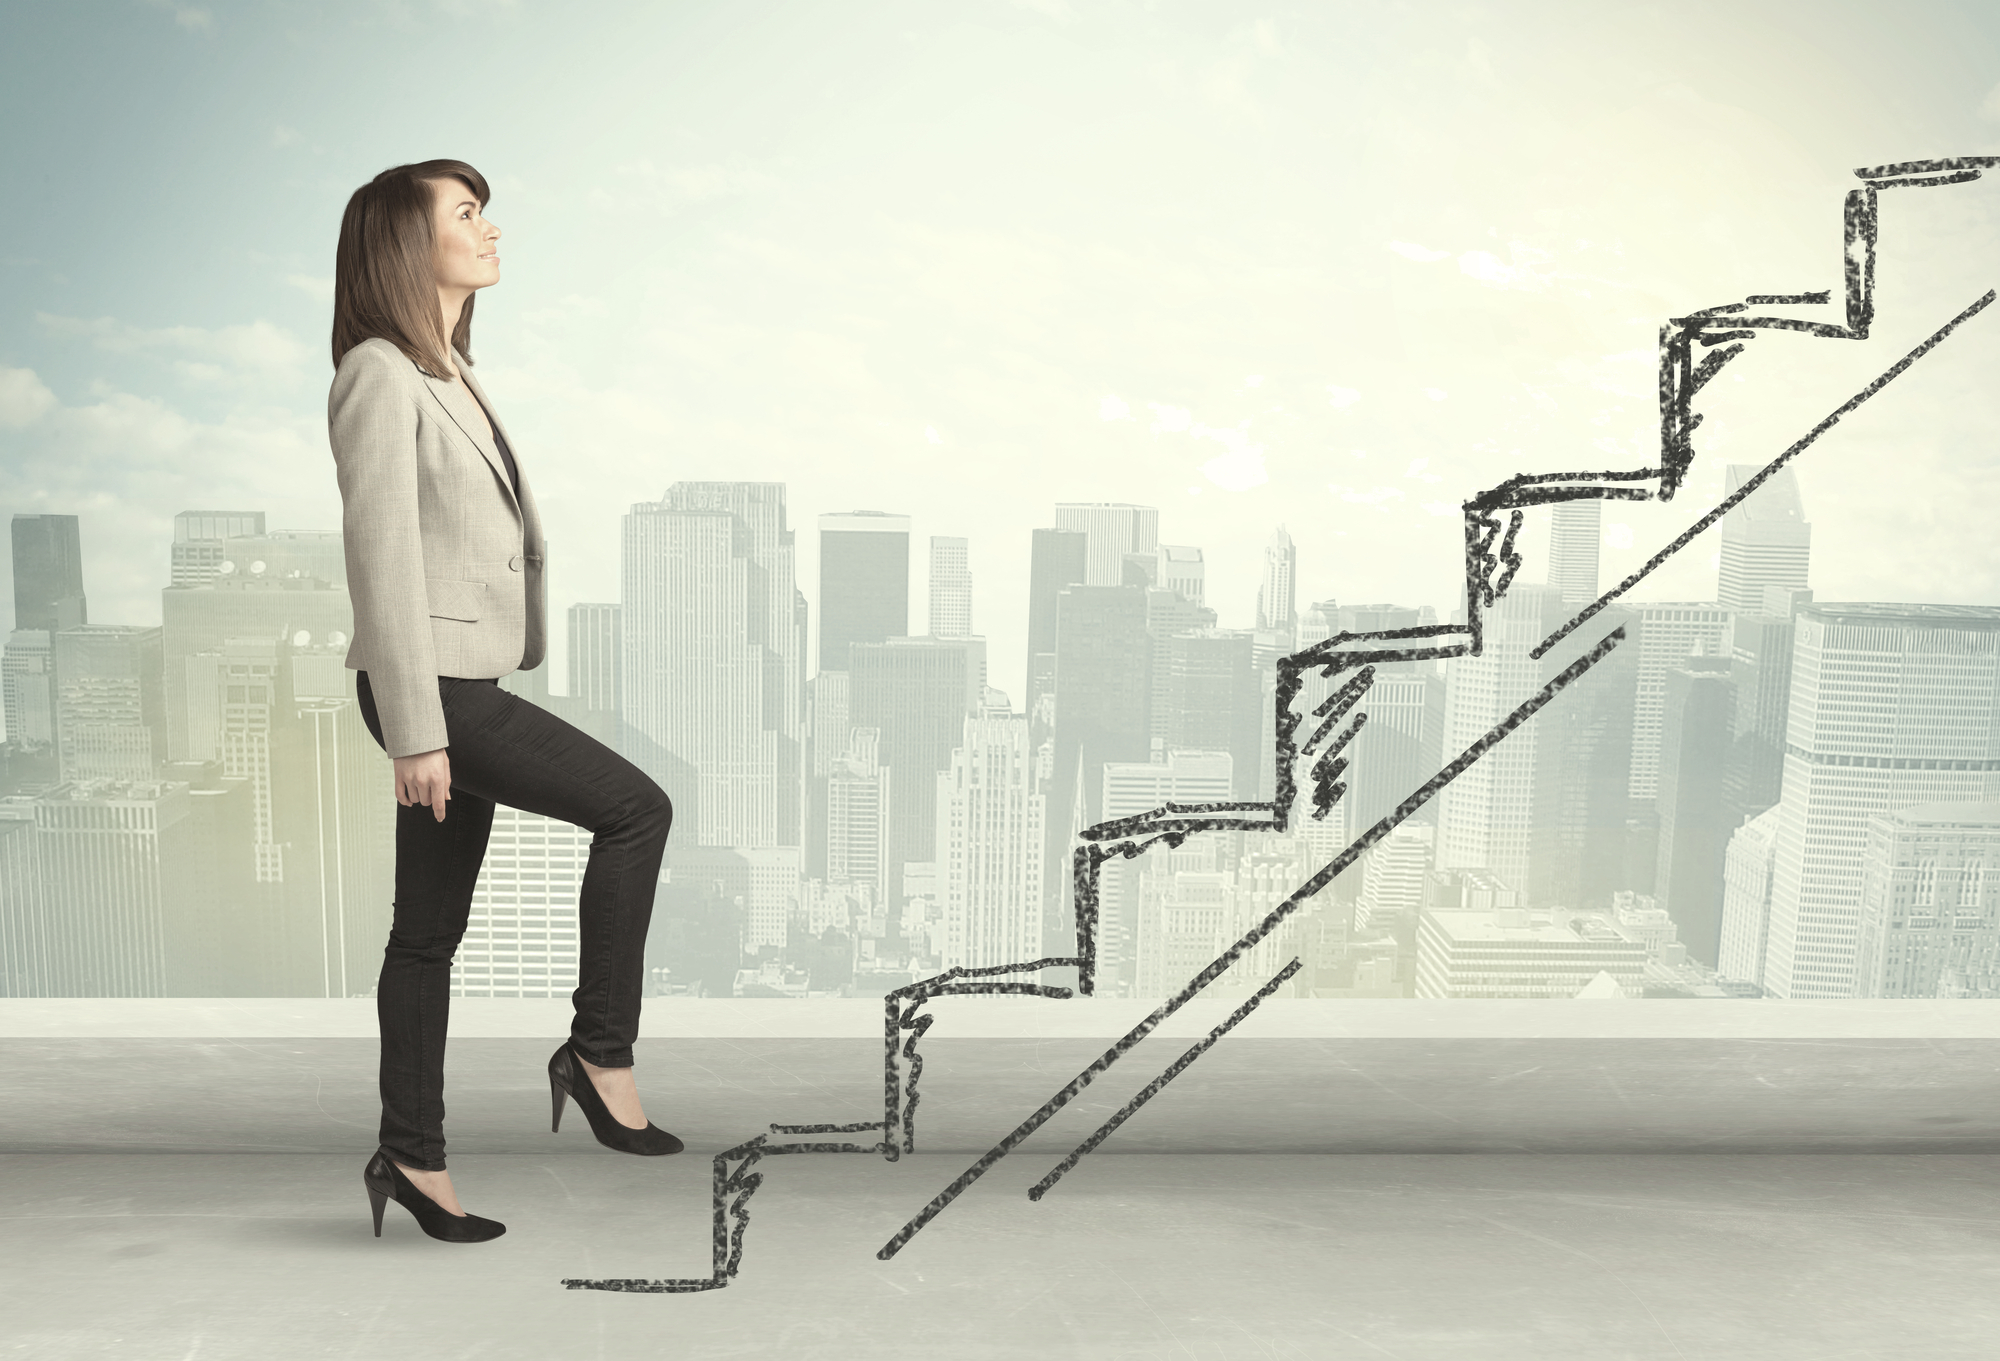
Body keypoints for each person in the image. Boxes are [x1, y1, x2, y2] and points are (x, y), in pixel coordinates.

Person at [327, 159, 683, 1246]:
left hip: (458, 678)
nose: (491, 231)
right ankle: (598, 1052)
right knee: (634, 809)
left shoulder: (446, 369)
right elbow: (380, 557)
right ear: (405, 241)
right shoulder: (381, 374)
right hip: (431, 689)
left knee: (425, 933)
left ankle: (413, 1154)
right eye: (466, 215)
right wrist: (418, 731)